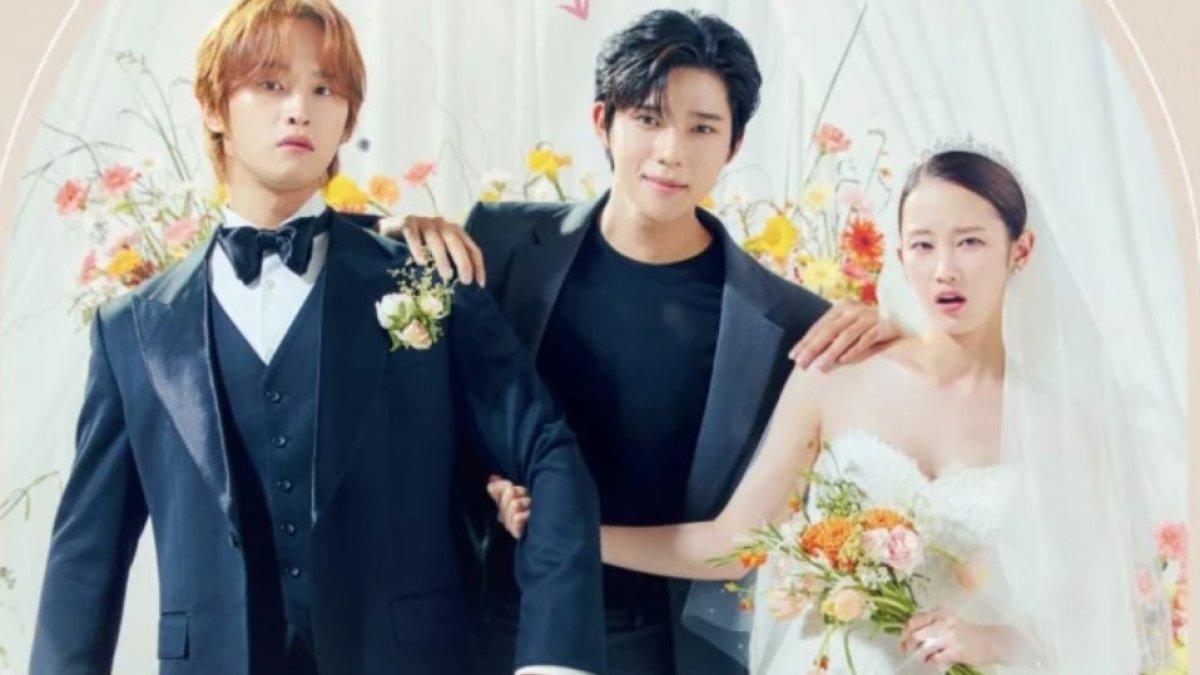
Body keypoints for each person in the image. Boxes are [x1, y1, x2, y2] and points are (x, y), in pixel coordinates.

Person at [30, 1, 604, 673]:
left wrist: (553, 660)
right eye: (271, 84)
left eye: (325, 89)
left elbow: (547, 448)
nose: (300, 109)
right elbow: (87, 553)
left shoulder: (429, 281)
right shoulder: (132, 329)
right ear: (213, 106)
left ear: (349, 117)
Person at [497, 149, 1183, 672]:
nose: (944, 269)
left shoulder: (1061, 422)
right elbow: (736, 540)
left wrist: (985, 639)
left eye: (970, 241)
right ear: (900, 253)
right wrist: (572, 527)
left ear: (1020, 250)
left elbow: (1102, 613)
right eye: (923, 244)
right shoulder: (837, 373)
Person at [376, 9, 896, 675]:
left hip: (662, 645)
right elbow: (428, 404)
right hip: (494, 625)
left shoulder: (789, 322)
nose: (671, 151)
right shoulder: (499, 243)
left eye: (701, 128)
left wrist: (896, 329)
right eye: (649, 118)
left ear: (734, 144)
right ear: (603, 122)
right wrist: (395, 231)